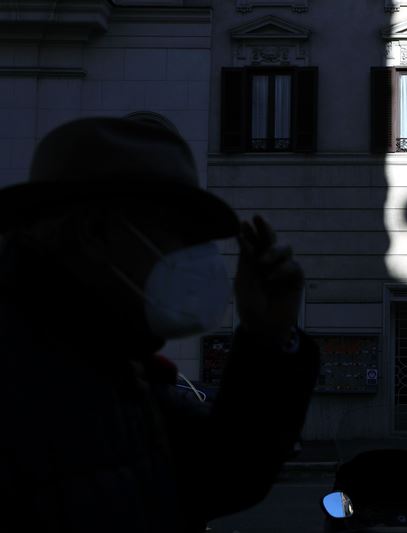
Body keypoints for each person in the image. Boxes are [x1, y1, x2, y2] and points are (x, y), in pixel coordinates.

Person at [0, 117, 320, 532]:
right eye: (176, 235)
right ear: (96, 233)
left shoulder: (113, 366)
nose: (189, 260)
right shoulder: (27, 376)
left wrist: (268, 334)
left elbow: (223, 473)